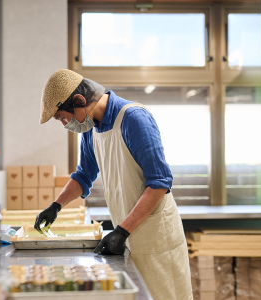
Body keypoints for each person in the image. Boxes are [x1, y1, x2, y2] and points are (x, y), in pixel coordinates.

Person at [35, 69, 192, 300]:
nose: (65, 124)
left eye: (63, 117)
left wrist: (122, 230)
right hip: (129, 235)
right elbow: (83, 176)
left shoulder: (134, 119)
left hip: (156, 238)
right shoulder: (91, 130)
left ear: (79, 101)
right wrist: (56, 206)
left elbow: (159, 182)